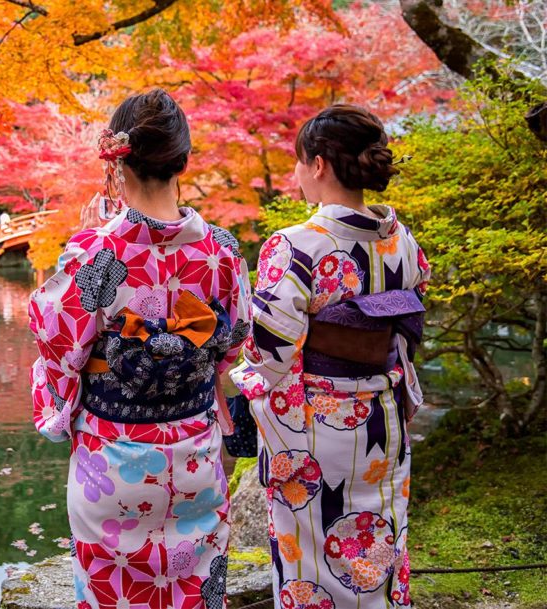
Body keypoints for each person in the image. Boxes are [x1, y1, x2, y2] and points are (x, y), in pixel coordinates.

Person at [28, 88, 252, 608]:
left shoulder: (98, 250)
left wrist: (61, 407)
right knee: (196, 592)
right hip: (195, 452)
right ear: (184, 160)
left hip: (112, 462)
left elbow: (58, 343)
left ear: (117, 161)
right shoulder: (221, 250)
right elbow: (235, 338)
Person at [228, 104, 431, 609]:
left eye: (299, 162)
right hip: (383, 419)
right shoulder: (402, 240)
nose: (297, 174)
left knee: (310, 562)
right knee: (378, 541)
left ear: (318, 165)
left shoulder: (295, 246)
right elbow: (407, 332)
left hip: (313, 427)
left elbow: (270, 353)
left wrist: (236, 384)